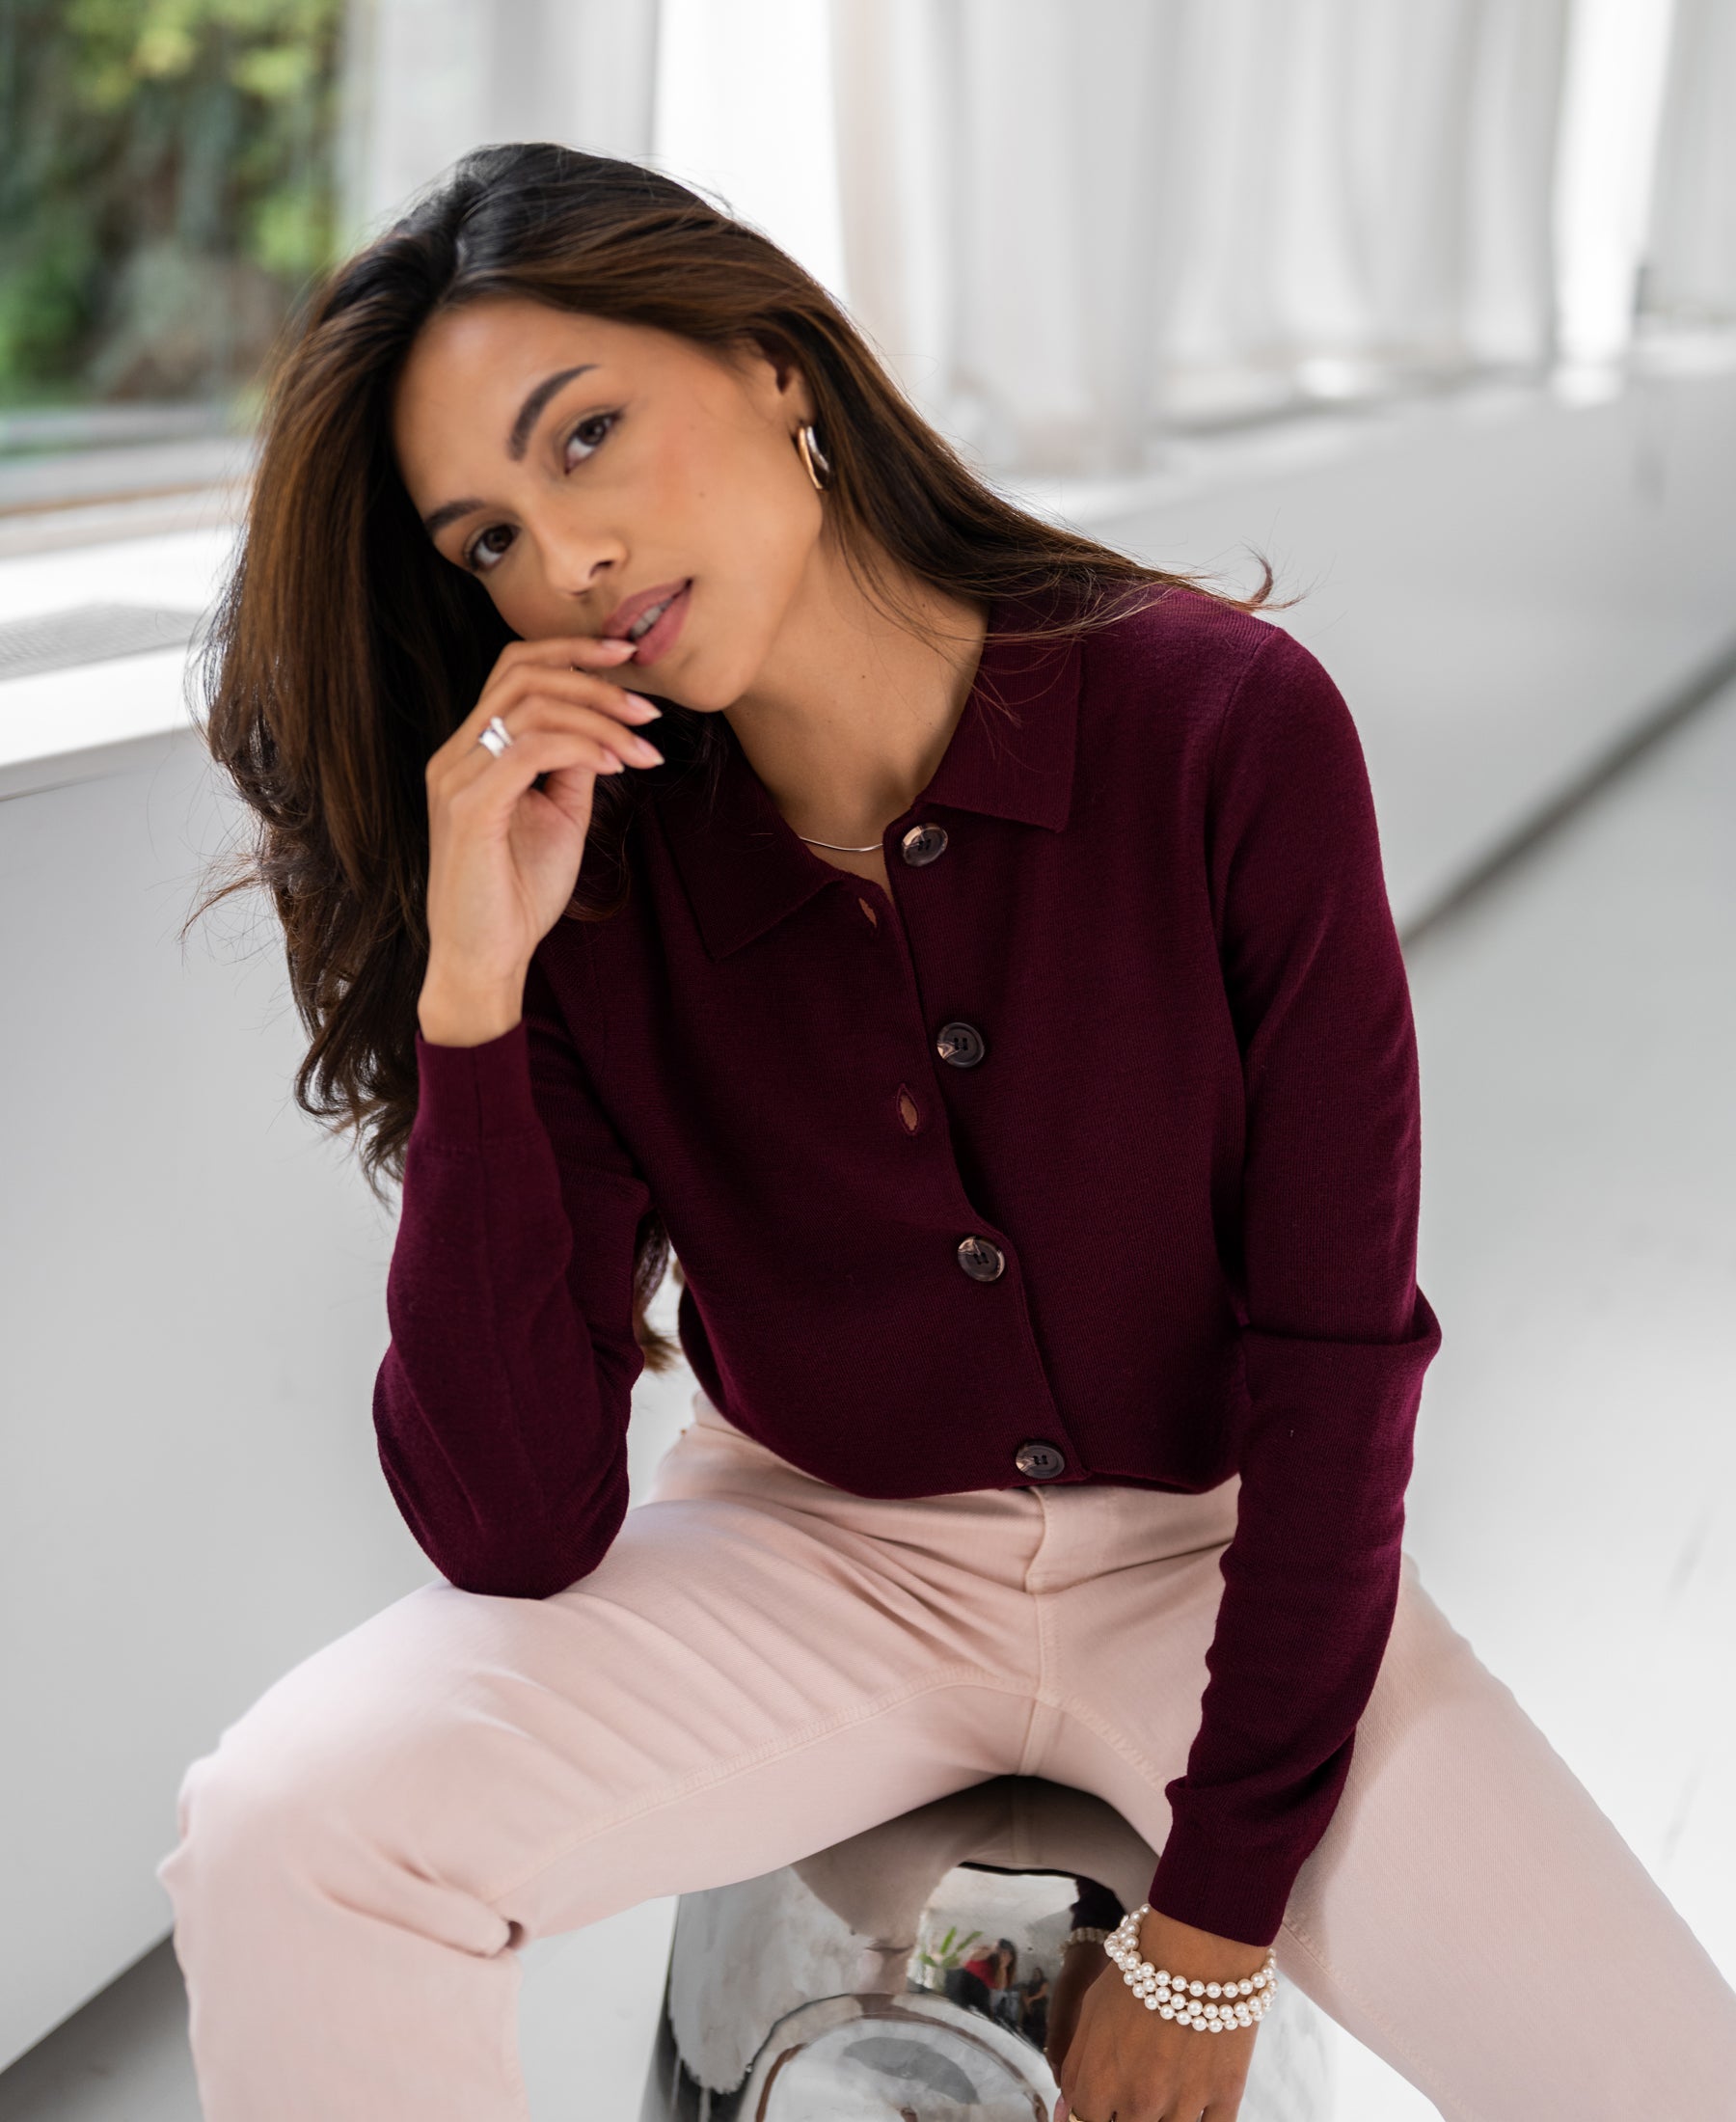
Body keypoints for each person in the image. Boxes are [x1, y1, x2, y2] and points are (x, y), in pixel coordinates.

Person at [152, 141, 1736, 2122]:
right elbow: (513, 1526)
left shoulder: (1222, 727)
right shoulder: (591, 876)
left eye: (590, 436)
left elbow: (1340, 1359)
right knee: (287, 1826)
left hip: (1217, 1547)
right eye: (485, 537)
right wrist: (475, 985)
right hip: (817, 1543)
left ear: (775, 360)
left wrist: (1215, 1938)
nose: (559, 556)